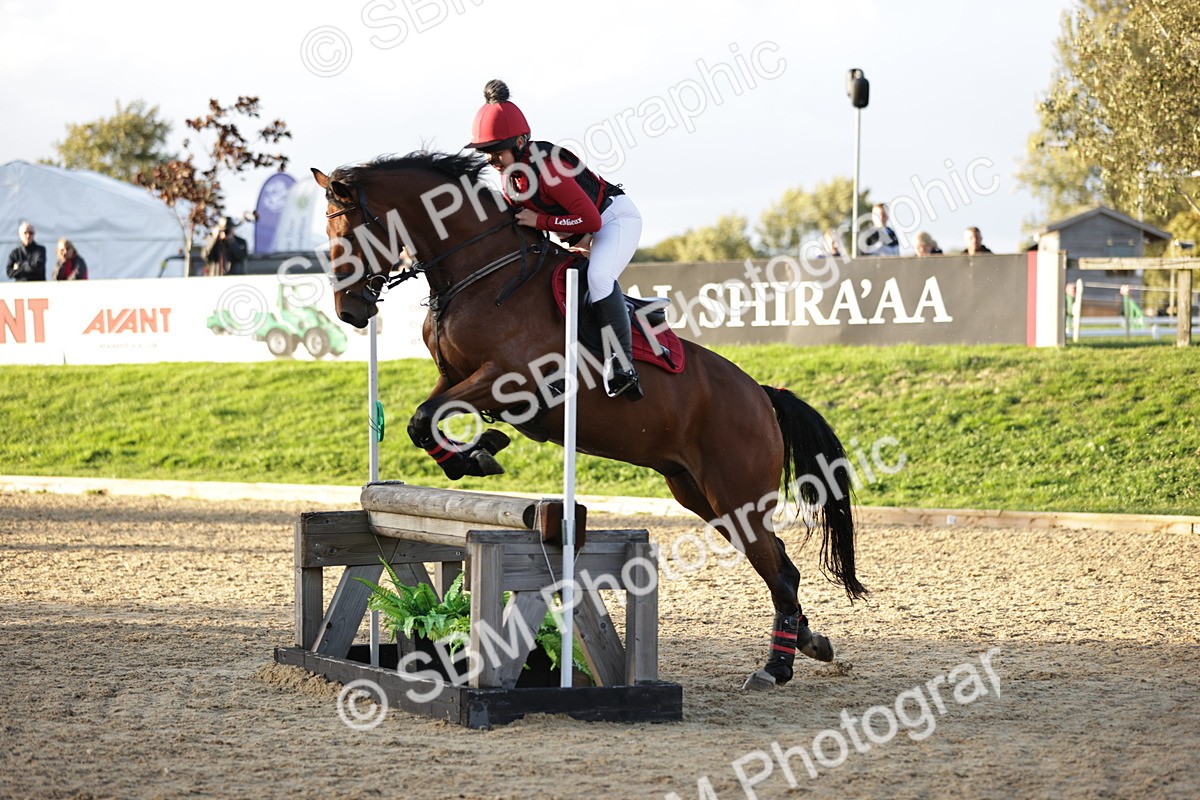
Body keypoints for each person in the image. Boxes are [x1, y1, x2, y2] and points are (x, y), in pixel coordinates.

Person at [468, 79, 643, 400]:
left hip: (614, 220)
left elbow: (591, 220)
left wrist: (542, 221)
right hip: (582, 228)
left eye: (496, 152)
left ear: (521, 141)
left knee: (600, 277)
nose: (491, 160)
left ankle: (623, 365)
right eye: (486, 153)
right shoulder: (511, 176)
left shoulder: (548, 168)